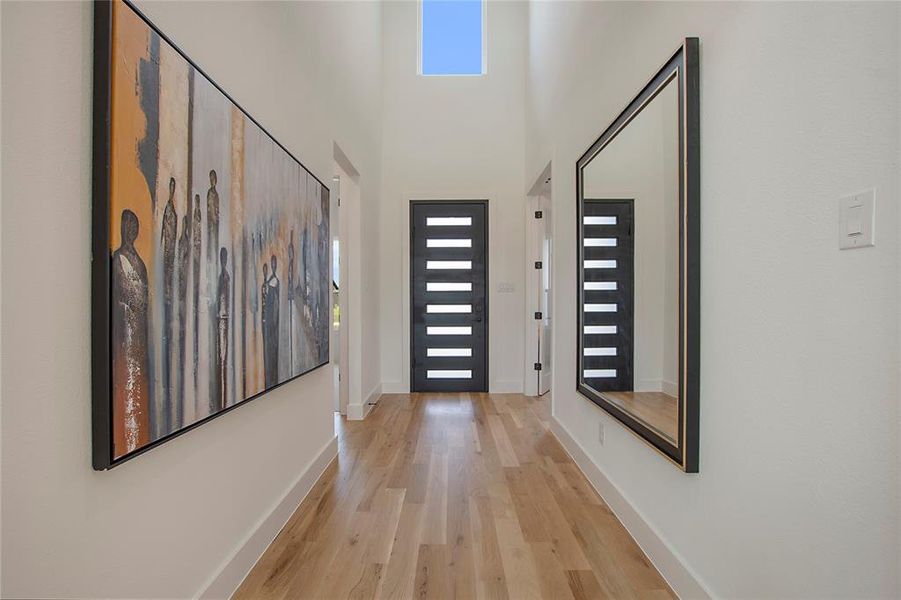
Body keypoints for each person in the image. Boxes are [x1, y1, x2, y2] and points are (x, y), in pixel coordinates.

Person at [111, 209, 150, 455]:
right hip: (124, 334)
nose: (130, 230)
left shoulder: (140, 263)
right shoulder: (118, 259)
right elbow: (126, 293)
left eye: (133, 226)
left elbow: (143, 298)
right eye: (126, 225)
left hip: (138, 334)